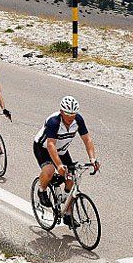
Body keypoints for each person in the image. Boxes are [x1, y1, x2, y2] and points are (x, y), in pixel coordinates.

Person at [33, 96, 100, 226]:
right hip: (43, 148)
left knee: (71, 177)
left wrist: (92, 158)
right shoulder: (54, 121)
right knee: (50, 170)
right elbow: (51, 144)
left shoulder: (78, 120)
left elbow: (87, 140)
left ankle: (67, 213)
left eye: (73, 114)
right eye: (68, 114)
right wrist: (58, 165)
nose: (70, 118)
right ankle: (41, 190)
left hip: (61, 150)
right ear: (61, 111)